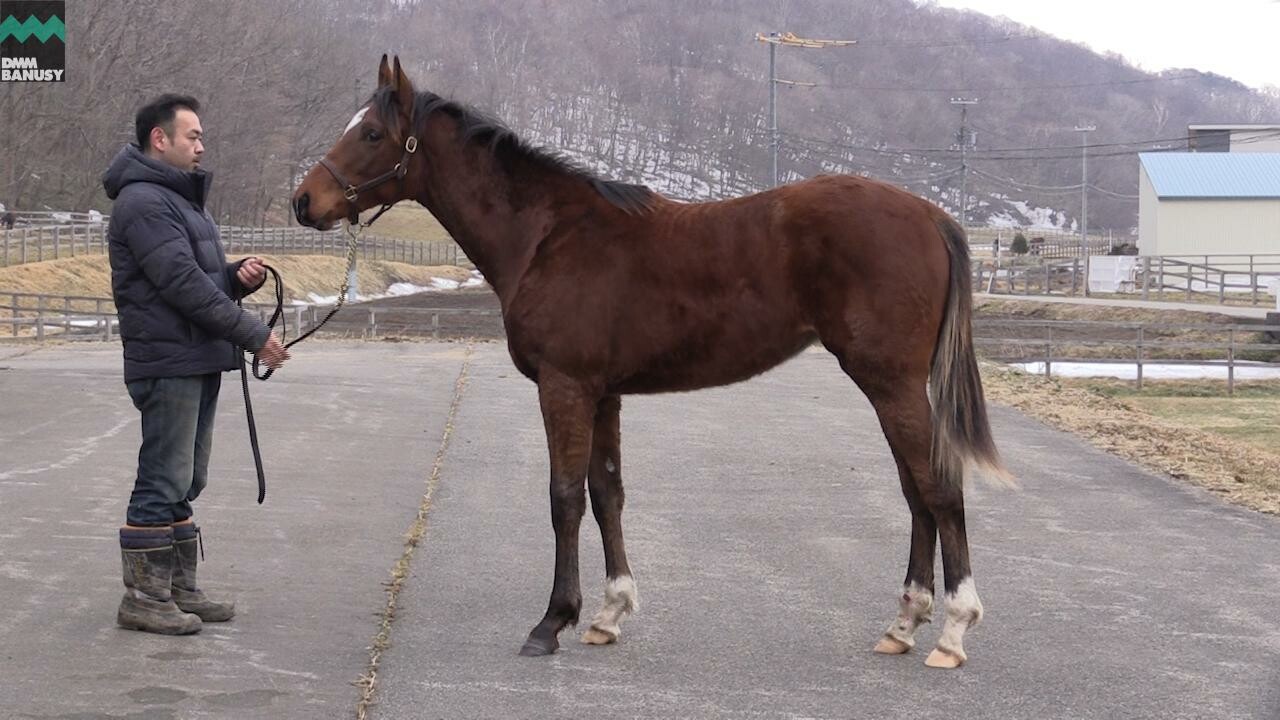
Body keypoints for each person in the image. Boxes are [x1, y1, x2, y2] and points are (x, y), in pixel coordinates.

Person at [102, 94, 290, 635]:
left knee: (188, 477)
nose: (201, 145)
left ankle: (177, 588)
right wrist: (255, 335)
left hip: (195, 356)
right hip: (168, 360)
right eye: (193, 136)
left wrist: (234, 276)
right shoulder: (143, 203)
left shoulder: (180, 201)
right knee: (163, 479)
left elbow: (195, 278)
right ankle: (143, 598)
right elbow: (181, 286)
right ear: (159, 139)